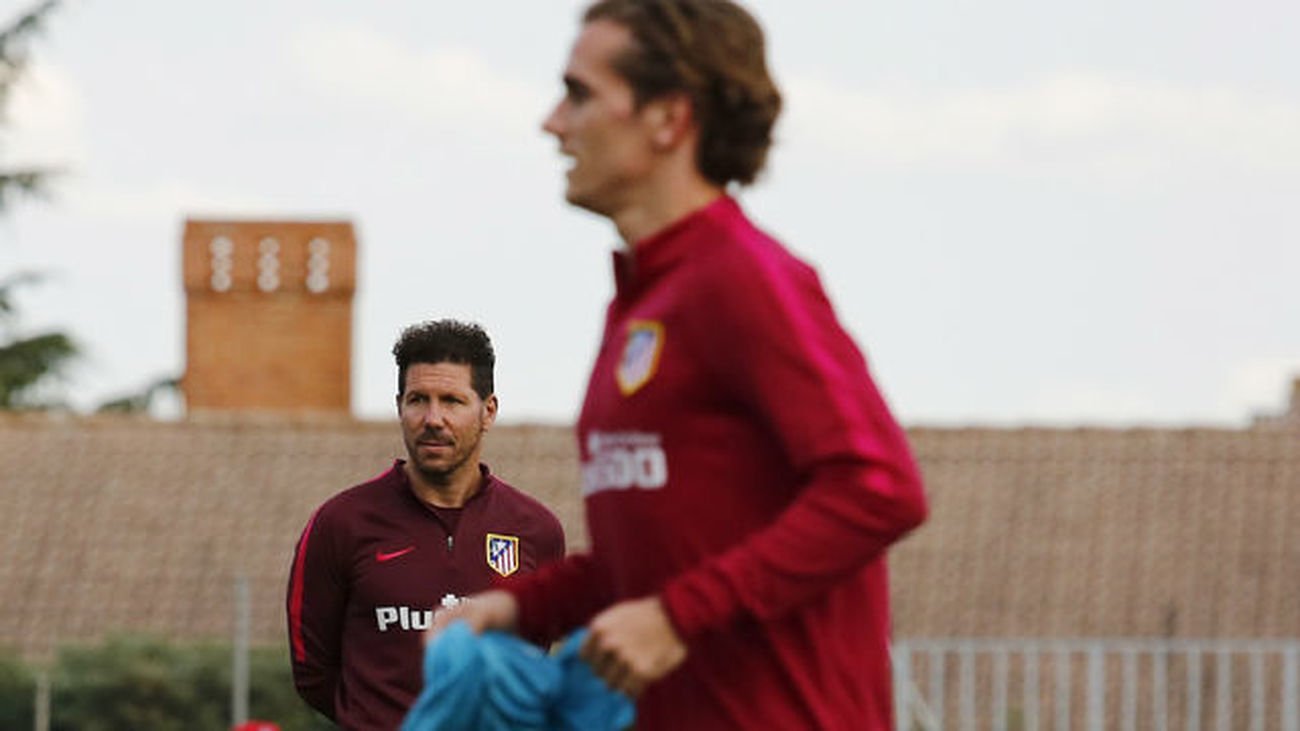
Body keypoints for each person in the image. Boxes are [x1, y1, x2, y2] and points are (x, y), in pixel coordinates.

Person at [431, 1, 928, 729]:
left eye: (579, 94)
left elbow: (880, 487)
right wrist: (518, 604)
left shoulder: (745, 277)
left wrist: (675, 617)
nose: (552, 123)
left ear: (668, 118)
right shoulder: (637, 305)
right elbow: (659, 562)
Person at [287, 319, 565, 730]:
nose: (433, 418)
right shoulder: (340, 523)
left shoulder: (536, 531)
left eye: (452, 401)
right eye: (419, 400)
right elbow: (313, 671)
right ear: (400, 406)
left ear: (488, 411)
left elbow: (534, 654)